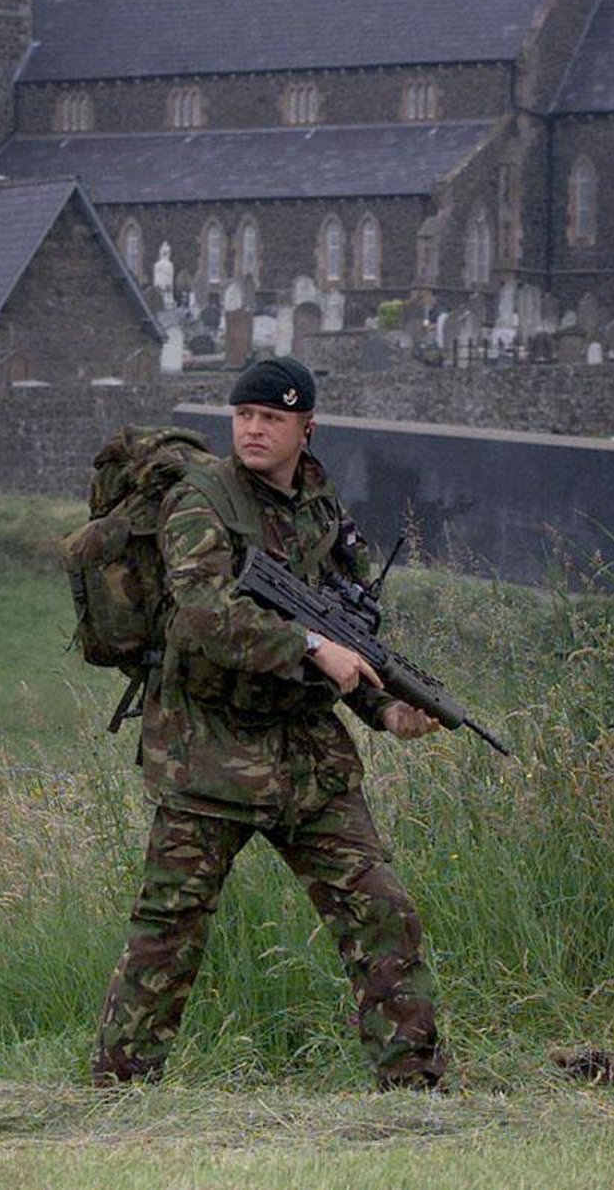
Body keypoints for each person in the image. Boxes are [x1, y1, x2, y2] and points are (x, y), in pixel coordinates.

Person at [93, 355, 449, 1090]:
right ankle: (118, 1088)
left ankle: (415, 1086)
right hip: (208, 749)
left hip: (304, 756)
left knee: (381, 911)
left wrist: (386, 707)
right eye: (244, 416)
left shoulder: (320, 510)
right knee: (169, 930)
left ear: (306, 427)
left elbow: (347, 638)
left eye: (272, 418)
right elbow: (204, 615)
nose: (254, 429)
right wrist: (310, 646)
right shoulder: (201, 500)